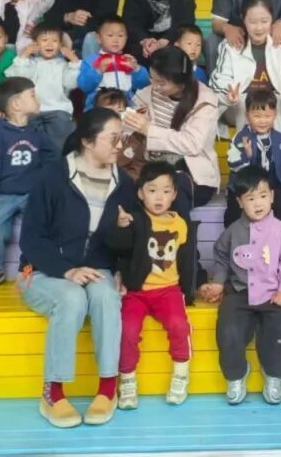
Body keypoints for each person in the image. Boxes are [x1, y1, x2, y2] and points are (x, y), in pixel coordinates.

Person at [18, 107, 131, 428]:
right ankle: (53, 392)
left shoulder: (124, 183)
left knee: (107, 297)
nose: (120, 145)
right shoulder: (53, 177)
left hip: (96, 269)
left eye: (121, 138)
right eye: (113, 138)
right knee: (71, 298)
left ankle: (107, 388)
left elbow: (128, 240)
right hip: (42, 270)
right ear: (87, 141)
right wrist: (66, 271)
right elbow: (31, 239)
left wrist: (122, 267)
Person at [198, 166, 281, 406]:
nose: (258, 203)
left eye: (263, 196)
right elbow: (221, 256)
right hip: (240, 292)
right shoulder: (233, 231)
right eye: (250, 198)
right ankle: (235, 375)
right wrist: (218, 283)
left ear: (272, 196)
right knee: (228, 328)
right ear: (240, 202)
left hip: (273, 293)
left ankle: (274, 374)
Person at [101, 161, 195, 409]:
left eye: (166, 191)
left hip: (168, 290)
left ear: (174, 195)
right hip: (137, 292)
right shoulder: (136, 219)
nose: (159, 197)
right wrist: (121, 228)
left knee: (179, 325)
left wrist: (190, 292)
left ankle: (181, 375)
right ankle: (127, 381)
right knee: (128, 330)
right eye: (152, 190)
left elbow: (186, 260)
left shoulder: (180, 224)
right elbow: (118, 247)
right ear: (141, 194)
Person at [0, 77, 57, 291]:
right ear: (16, 104)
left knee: (44, 223)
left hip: (33, 194)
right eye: (32, 95)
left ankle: (30, 268)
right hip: (4, 193)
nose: (37, 99)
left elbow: (52, 160)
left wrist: (48, 187)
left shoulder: (38, 133)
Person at [124, 46, 221, 212]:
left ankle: (179, 229)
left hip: (193, 175)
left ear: (181, 83)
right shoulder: (146, 94)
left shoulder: (205, 101)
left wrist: (148, 130)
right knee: (130, 184)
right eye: (152, 78)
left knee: (171, 186)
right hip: (152, 167)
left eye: (161, 83)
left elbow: (192, 144)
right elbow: (127, 130)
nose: (154, 86)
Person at [210, 0, 281, 142]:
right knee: (244, 102)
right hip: (238, 107)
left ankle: (276, 148)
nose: (259, 27)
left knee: (274, 101)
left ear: (272, 19)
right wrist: (228, 94)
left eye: (264, 21)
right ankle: (243, 147)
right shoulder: (230, 46)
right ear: (243, 19)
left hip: (272, 108)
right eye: (253, 22)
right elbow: (220, 79)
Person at [225, 86, 281, 227]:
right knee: (234, 210)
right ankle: (235, 238)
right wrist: (247, 156)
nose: (263, 121)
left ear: (275, 115)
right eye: (257, 116)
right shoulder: (240, 138)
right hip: (245, 185)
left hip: (272, 186)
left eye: (267, 116)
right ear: (247, 116)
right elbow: (231, 163)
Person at [5, 21, 81, 153]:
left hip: (58, 110)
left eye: (55, 41)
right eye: (44, 40)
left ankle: (57, 159)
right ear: (35, 44)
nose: (50, 44)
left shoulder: (63, 65)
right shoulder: (30, 63)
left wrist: (74, 62)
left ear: (61, 45)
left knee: (62, 134)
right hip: (32, 111)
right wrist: (24, 55)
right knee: (28, 138)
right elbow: (19, 78)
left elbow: (71, 84)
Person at [78, 14, 150, 110]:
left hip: (125, 107)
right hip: (99, 108)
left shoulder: (128, 60)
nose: (116, 40)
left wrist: (137, 69)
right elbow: (84, 86)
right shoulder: (91, 60)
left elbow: (143, 84)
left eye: (120, 35)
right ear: (98, 38)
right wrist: (98, 71)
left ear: (126, 38)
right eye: (110, 35)